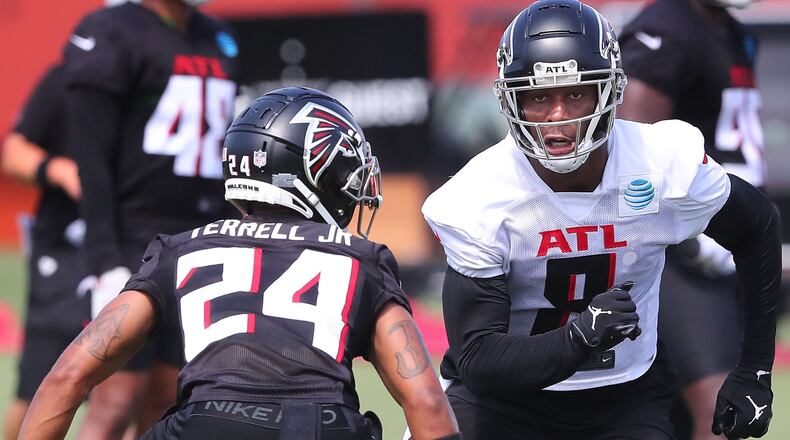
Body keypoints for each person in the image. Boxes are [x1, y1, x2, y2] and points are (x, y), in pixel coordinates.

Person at [421, 0, 780, 438]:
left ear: (608, 90)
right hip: (505, 402)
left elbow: (758, 225)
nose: (558, 116)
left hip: (624, 396)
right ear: (510, 99)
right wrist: (579, 337)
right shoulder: (479, 196)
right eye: (537, 97)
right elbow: (479, 360)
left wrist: (756, 370)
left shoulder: (661, 162)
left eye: (575, 93)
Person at [18, 87, 460, 440]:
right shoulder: (361, 259)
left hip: (204, 426)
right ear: (309, 174)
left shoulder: (180, 250)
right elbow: (425, 404)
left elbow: (68, 378)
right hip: (321, 428)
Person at [59, 0, 239, 436]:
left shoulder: (217, 36)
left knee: (170, 399)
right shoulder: (112, 30)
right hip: (133, 238)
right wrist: (104, 261)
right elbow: (92, 162)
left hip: (198, 240)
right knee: (116, 397)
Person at [618, 1, 766, 438]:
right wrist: (689, 238)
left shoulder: (731, 31)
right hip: (685, 259)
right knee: (724, 412)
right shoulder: (666, 29)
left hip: (731, 245)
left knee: (681, 421)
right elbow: (629, 154)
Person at [1, 64, 90, 440]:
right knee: (42, 386)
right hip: (68, 252)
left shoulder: (183, 69)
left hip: (140, 246)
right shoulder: (71, 75)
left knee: (130, 391)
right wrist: (60, 171)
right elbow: (13, 152)